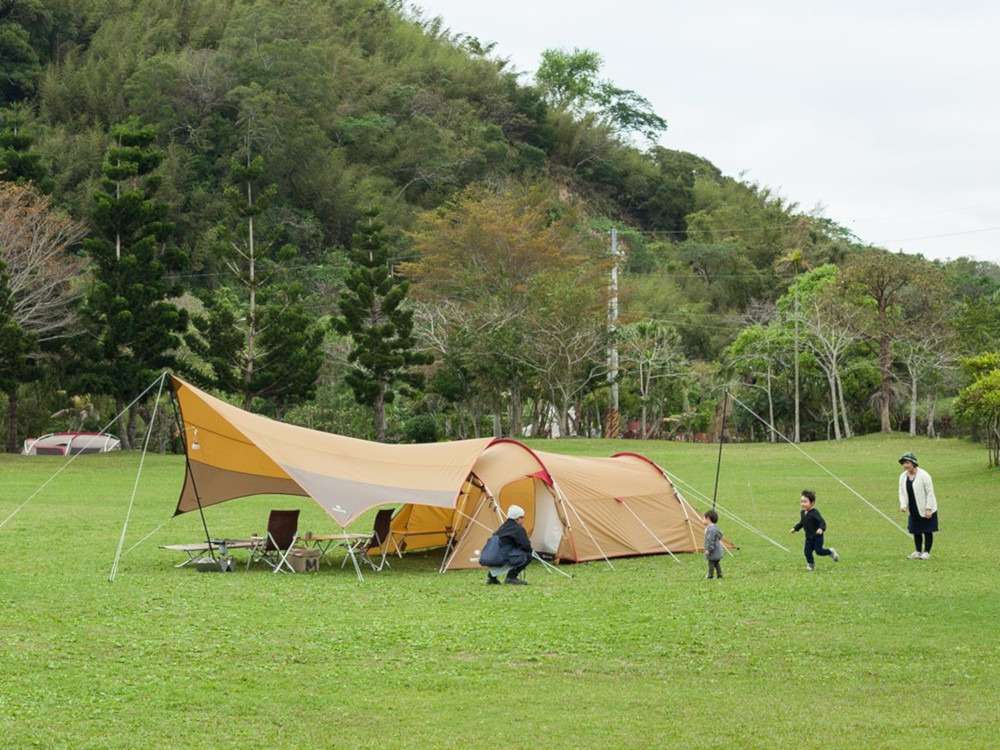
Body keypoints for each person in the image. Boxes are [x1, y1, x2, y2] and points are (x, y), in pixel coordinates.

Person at [898, 452, 938, 560]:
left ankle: (926, 552)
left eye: (907, 463)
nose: (905, 466)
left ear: (913, 463)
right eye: (903, 463)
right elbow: (902, 492)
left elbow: (930, 492)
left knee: (927, 530)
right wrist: (903, 504)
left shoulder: (924, 475)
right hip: (913, 507)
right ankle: (917, 551)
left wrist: (929, 508)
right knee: (916, 530)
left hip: (926, 507)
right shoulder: (902, 477)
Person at [790, 490, 840, 571]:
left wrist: (821, 529)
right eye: (801, 501)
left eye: (805, 502)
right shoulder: (802, 512)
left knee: (819, 551)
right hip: (809, 537)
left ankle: (830, 552)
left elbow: (822, 522)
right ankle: (811, 564)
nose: (803, 504)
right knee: (807, 552)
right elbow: (802, 522)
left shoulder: (814, 513)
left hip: (817, 537)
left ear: (812, 503)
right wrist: (795, 528)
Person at [485, 505, 533, 585]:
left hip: (490, 557)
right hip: (500, 557)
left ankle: (492, 578)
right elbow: (526, 546)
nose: (523, 520)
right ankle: (511, 577)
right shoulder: (518, 528)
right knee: (527, 555)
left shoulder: (503, 527)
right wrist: (529, 551)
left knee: (503, 554)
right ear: (518, 518)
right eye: (522, 518)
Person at [703, 509, 725, 579]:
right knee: (716, 563)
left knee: (711, 564)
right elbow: (720, 535)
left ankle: (710, 575)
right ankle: (719, 574)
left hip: (713, 551)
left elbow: (710, 541)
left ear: (708, 519)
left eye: (703, 518)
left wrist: (708, 550)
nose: (702, 520)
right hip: (717, 550)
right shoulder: (715, 528)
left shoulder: (711, 530)